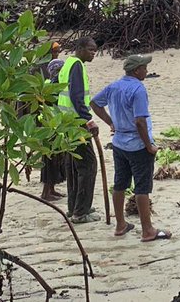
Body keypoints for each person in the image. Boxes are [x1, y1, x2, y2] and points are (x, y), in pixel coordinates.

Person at [91, 53, 172, 241]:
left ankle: (120, 224)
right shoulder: (138, 89)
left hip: (119, 143)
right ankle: (147, 230)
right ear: (137, 70)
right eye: (144, 67)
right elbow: (140, 122)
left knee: (120, 183)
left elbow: (95, 103)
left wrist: (110, 122)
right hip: (136, 145)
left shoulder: (114, 86)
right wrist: (149, 146)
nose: (147, 70)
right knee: (142, 188)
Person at [57, 37, 100, 223]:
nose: (93, 53)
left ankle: (73, 207)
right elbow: (76, 96)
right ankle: (81, 212)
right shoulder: (76, 66)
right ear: (80, 49)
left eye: (95, 50)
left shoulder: (68, 64)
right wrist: (88, 120)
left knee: (74, 166)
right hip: (76, 123)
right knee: (88, 166)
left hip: (67, 122)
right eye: (90, 50)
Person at [40, 42, 67, 202]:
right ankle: (46, 192)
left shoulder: (52, 82)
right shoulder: (52, 85)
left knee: (54, 159)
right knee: (50, 160)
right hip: (50, 127)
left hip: (52, 126)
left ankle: (51, 189)